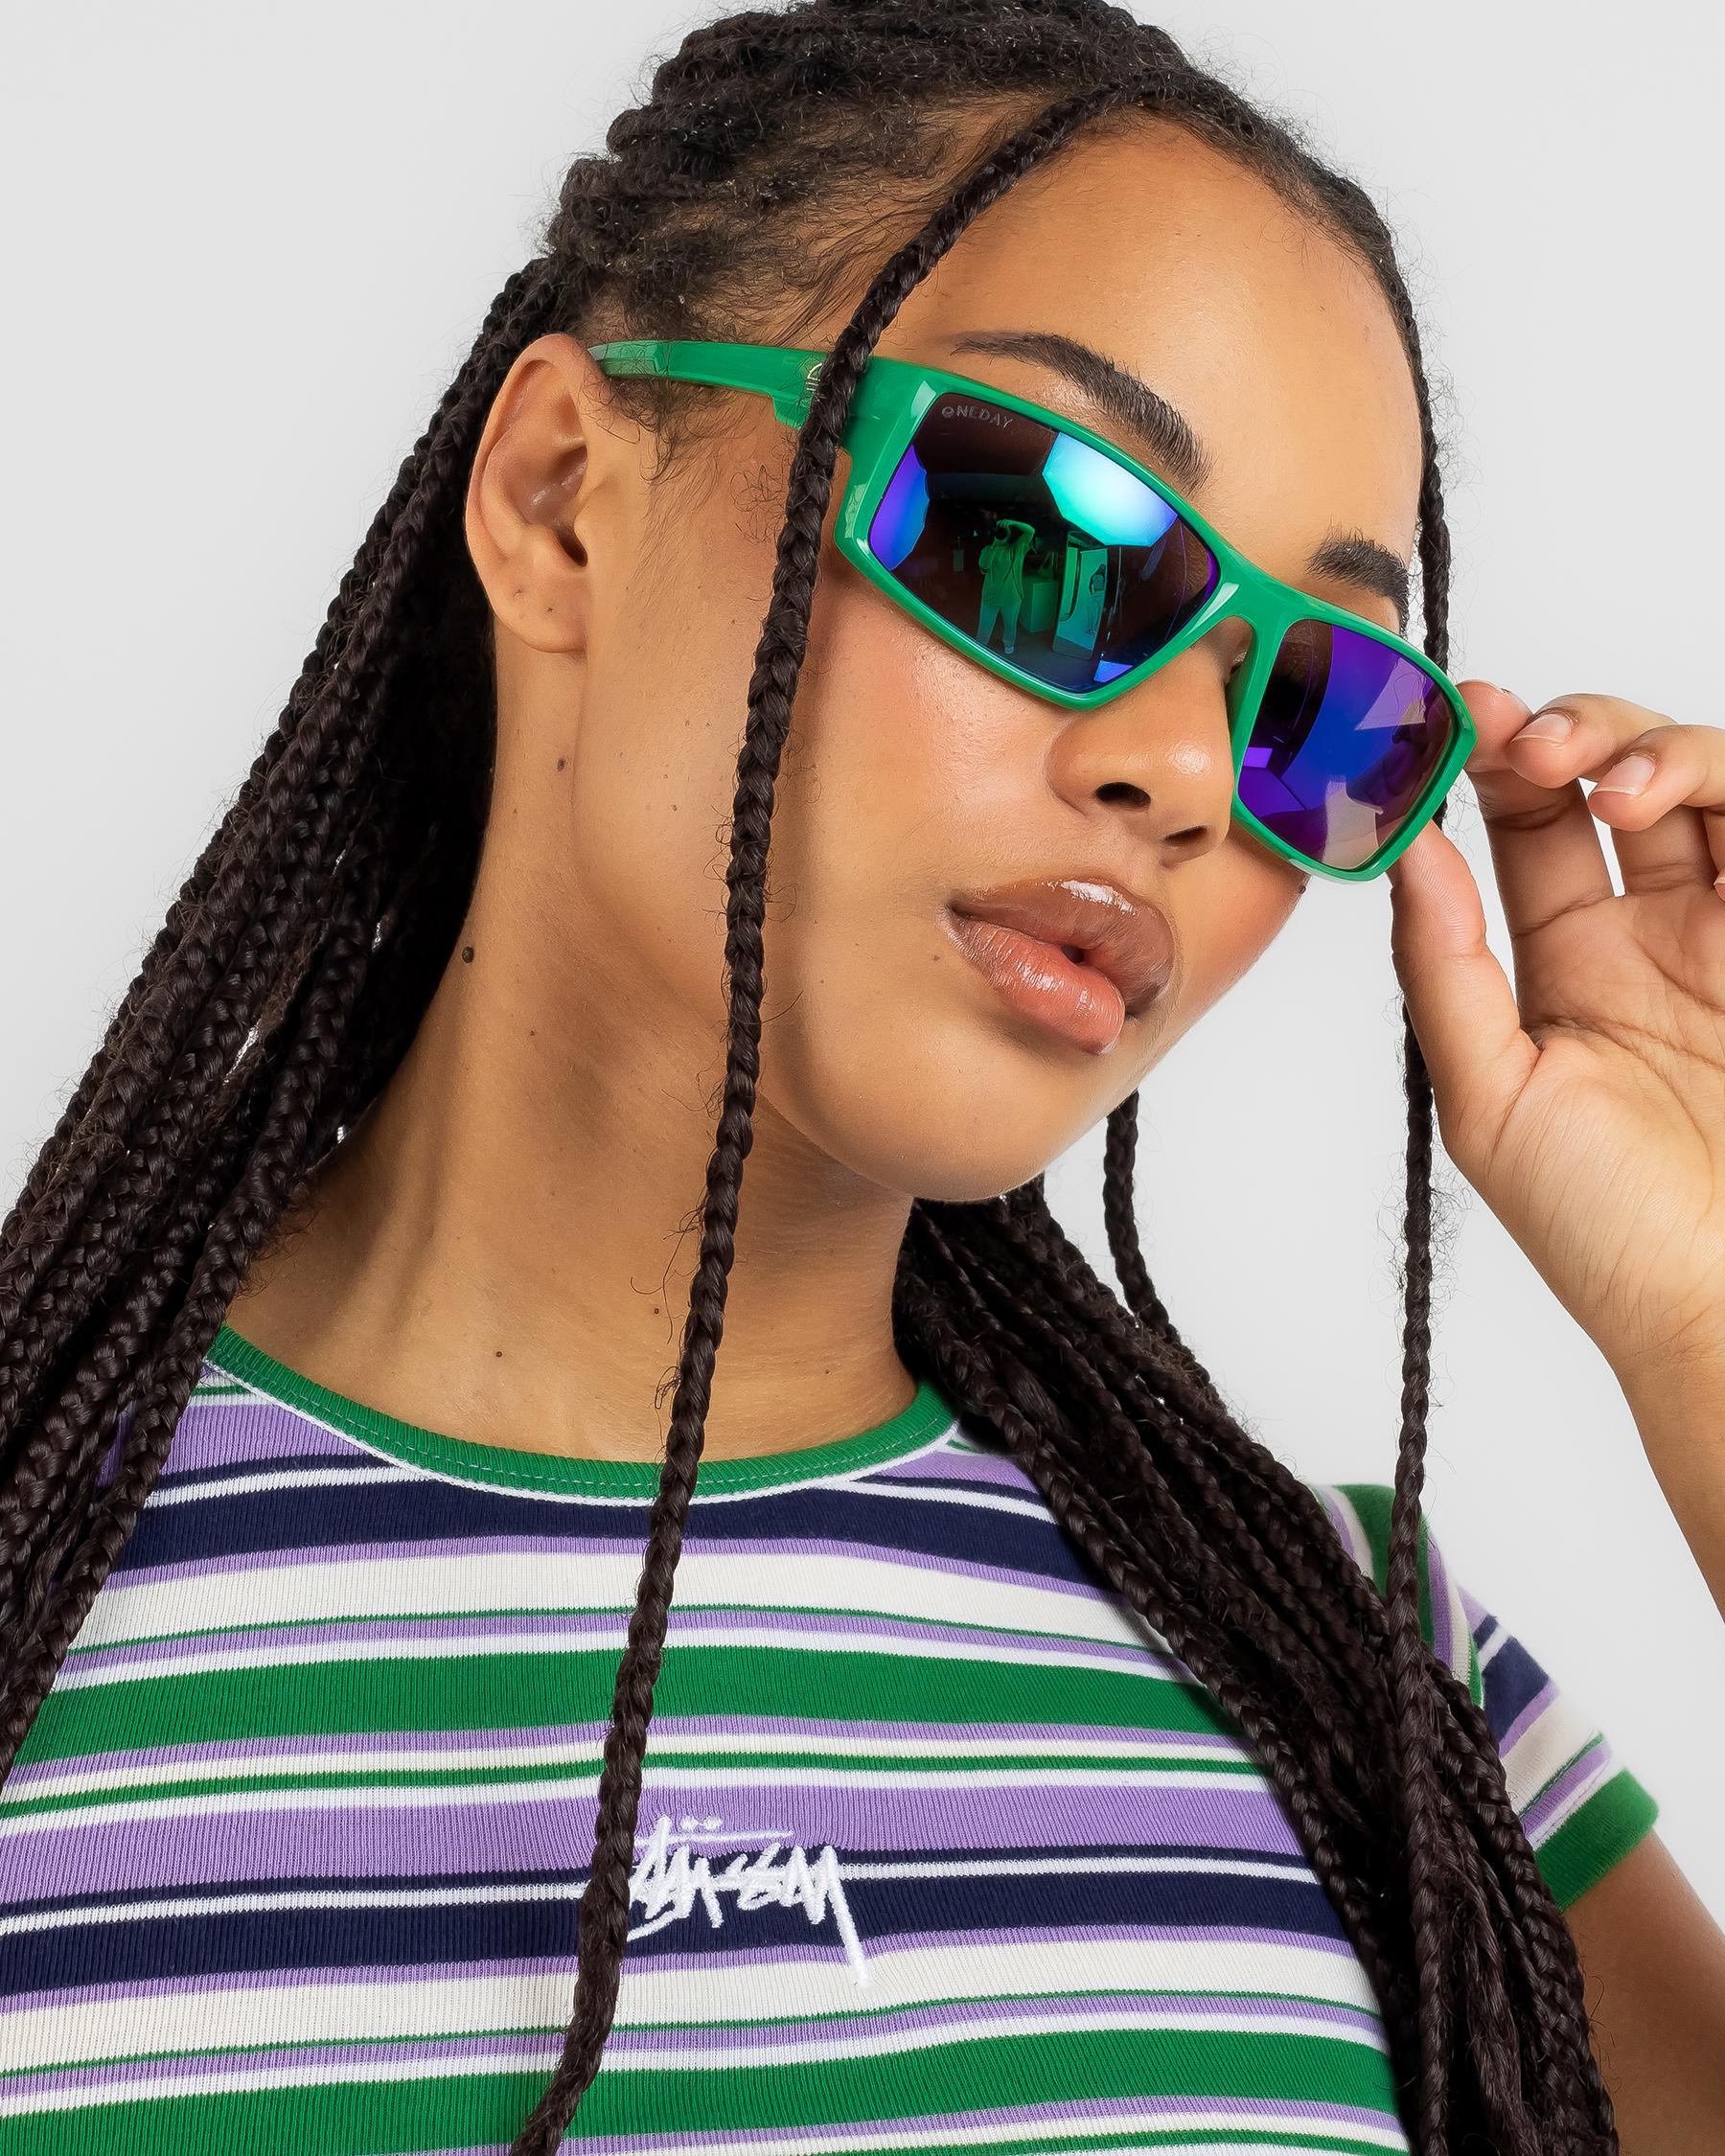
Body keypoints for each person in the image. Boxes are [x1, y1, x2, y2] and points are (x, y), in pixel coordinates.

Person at [4, 4, 1725, 2152]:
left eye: (1317, 701)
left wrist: (1707, 1315)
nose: (1187, 773)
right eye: (1040, 536)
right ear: (560, 501)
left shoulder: (1365, 1697)